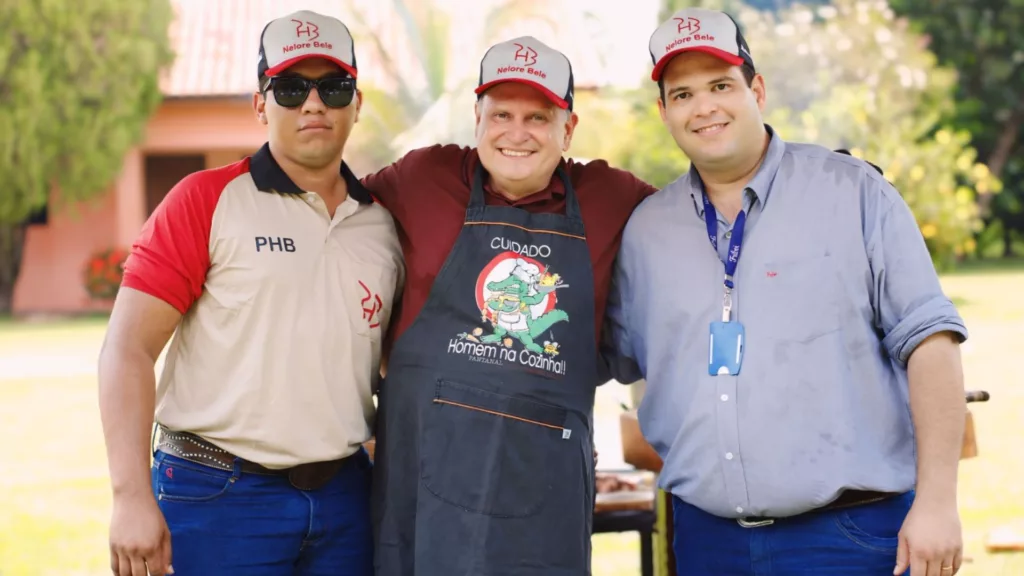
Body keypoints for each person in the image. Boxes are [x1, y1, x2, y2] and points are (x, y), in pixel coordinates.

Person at [605, 7, 969, 575]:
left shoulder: (854, 193)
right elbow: (609, 358)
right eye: (682, 94)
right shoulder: (645, 230)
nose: (703, 107)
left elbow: (932, 342)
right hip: (706, 541)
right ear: (664, 111)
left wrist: (939, 502)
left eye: (721, 85)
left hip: (851, 536)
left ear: (757, 90)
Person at [97, 10, 402, 576]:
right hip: (218, 496)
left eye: (333, 88)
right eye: (290, 88)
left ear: (356, 105)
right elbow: (127, 349)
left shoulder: (383, 226)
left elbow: (388, 361)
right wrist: (129, 495)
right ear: (261, 105)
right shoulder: (205, 200)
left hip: (345, 499)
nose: (314, 105)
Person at [360, 36, 656, 574]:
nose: (516, 134)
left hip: (543, 499)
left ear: (568, 128)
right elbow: (330, 226)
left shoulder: (615, 198)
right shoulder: (421, 178)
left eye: (538, 117)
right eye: (501, 114)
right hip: (419, 496)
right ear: (476, 118)